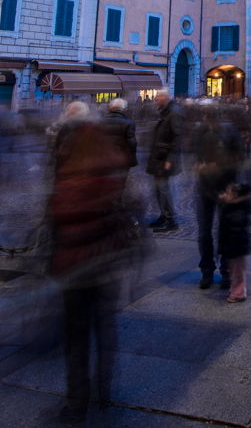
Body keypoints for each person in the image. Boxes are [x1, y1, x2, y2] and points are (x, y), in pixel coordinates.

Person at [46, 113, 135, 422]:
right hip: (105, 267)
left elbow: (56, 224)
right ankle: (105, 388)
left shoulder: (67, 179)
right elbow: (125, 214)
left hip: (74, 269)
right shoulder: (110, 176)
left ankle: (76, 401)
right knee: (105, 329)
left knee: (76, 337)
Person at [189, 106, 243, 289]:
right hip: (205, 187)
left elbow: (239, 157)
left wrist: (217, 166)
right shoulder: (200, 132)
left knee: (224, 230)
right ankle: (207, 270)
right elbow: (194, 154)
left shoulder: (230, 132)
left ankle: (225, 270)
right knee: (204, 232)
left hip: (225, 186)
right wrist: (197, 164)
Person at [146, 91, 183, 233]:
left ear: (165, 98)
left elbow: (177, 138)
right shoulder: (166, 111)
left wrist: (170, 159)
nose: (155, 99)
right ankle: (164, 215)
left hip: (164, 158)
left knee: (163, 189)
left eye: (158, 97)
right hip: (159, 156)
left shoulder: (174, 113)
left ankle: (170, 219)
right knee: (159, 189)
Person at [218, 182, 251, 302]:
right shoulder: (233, 207)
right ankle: (236, 290)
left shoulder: (236, 211)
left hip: (236, 246)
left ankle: (238, 294)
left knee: (237, 272)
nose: (224, 195)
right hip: (234, 246)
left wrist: (226, 204)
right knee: (235, 270)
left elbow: (235, 231)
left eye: (227, 193)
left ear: (235, 196)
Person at [99, 98, 138, 168]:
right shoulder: (129, 123)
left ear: (110, 108)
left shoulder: (100, 122)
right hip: (121, 159)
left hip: (104, 158)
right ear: (123, 109)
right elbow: (132, 143)